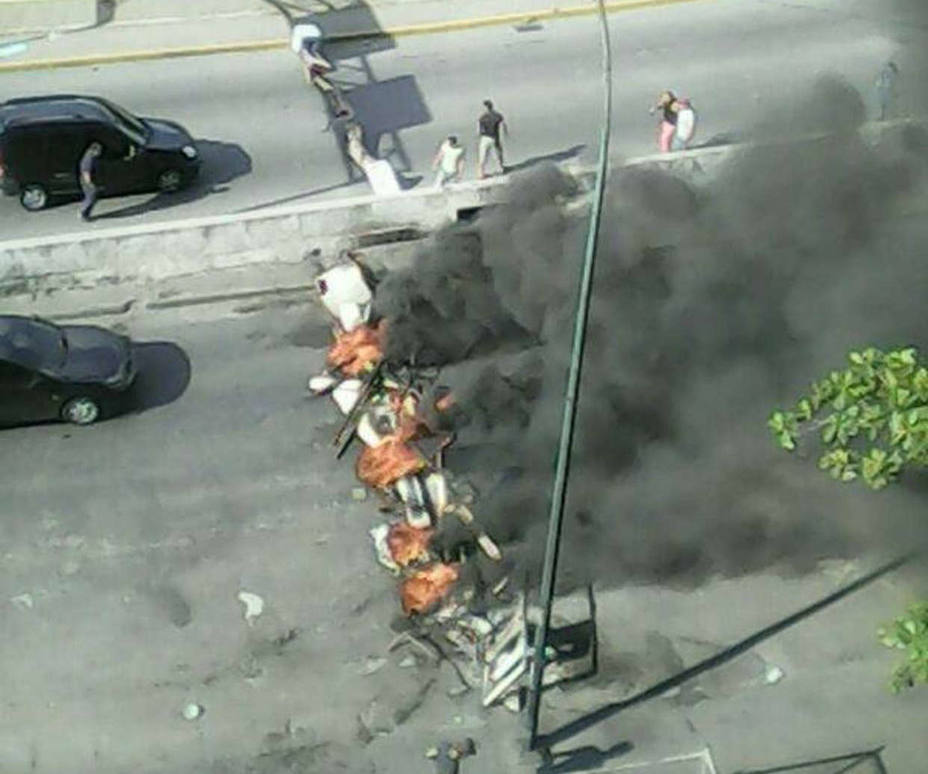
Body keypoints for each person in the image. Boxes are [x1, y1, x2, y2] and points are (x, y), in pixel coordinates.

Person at [477, 99, 507, 178]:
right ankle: (500, 169)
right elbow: (503, 126)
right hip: (494, 137)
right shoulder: (497, 115)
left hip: (485, 137)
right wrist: (505, 133)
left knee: (482, 156)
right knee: (497, 154)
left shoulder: (482, 117)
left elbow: (480, 130)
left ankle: (481, 174)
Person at [78, 141, 102, 221]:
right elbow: (86, 172)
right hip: (87, 180)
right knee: (90, 196)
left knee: (93, 197)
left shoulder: (90, 157)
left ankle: (86, 214)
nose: (99, 153)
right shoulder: (88, 158)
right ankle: (82, 212)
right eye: (98, 151)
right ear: (93, 150)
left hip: (88, 179)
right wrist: (89, 183)